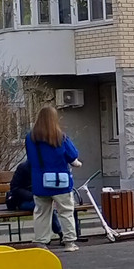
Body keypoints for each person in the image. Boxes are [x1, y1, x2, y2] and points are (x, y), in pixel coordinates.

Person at [25, 106, 83, 251]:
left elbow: (31, 159)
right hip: (61, 183)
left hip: (40, 182)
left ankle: (41, 243)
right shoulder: (61, 137)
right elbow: (72, 155)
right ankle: (69, 242)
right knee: (66, 212)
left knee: (41, 213)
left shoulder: (31, 138)